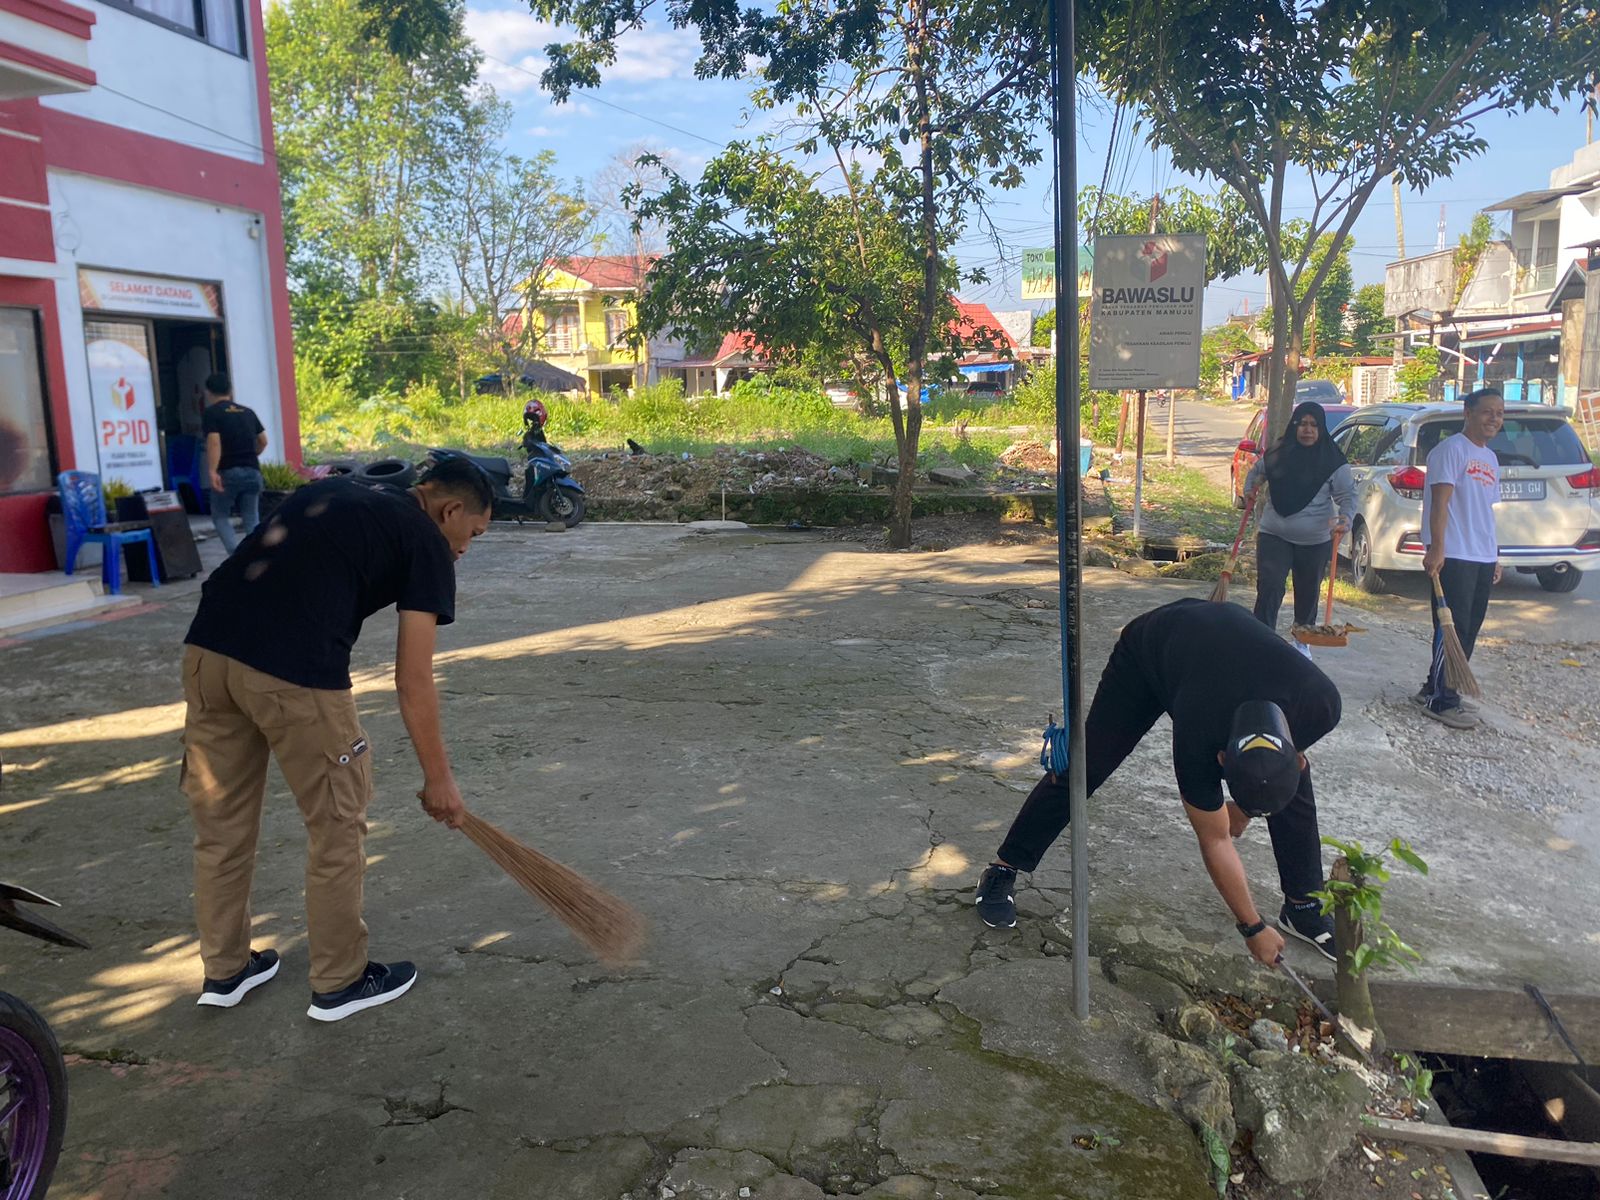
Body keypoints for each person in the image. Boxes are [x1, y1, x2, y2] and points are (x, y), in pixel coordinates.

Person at [179, 454, 493, 1022]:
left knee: (221, 825)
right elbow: (414, 678)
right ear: (448, 509)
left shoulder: (338, 493)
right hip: (293, 676)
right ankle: (340, 981)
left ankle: (225, 970)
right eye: (472, 533)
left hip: (206, 653)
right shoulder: (425, 539)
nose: (466, 548)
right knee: (336, 826)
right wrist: (439, 779)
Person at [974, 599, 1342, 965]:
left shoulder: (1321, 703)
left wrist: (1246, 806)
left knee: (1281, 785)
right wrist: (1252, 927)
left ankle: (1303, 905)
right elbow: (1214, 838)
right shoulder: (1198, 740)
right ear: (1221, 759)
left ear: (1298, 752)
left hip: (1221, 644)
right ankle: (1004, 866)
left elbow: (1271, 773)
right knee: (1087, 767)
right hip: (1150, 650)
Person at [1416, 388, 1505, 730]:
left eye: (1499, 413)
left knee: (1469, 629)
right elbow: (1440, 504)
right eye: (1487, 412)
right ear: (1468, 412)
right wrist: (1436, 547)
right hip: (1454, 552)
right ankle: (1443, 700)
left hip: (1481, 554)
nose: (1494, 419)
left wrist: (1494, 555)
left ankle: (1437, 688)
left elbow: (1486, 512)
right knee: (1451, 627)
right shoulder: (1450, 451)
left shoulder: (1491, 458)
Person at [1243, 401, 1356, 654]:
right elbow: (1256, 473)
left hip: (1314, 540)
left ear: (1321, 429)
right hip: (1274, 533)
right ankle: (1261, 641)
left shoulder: (1334, 461)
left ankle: (1302, 643)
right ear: (1294, 426)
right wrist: (1250, 490)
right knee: (1270, 586)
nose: (1308, 430)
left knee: (1307, 592)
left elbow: (1347, 495)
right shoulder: (1277, 453)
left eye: (1314, 425)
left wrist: (1346, 519)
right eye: (1303, 424)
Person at [200, 373, 268, 555]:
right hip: (253, 471)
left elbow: (214, 442)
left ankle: (237, 557)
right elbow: (263, 440)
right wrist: (252, 455)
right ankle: (256, 556)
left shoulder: (211, 413)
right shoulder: (248, 412)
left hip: (228, 472)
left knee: (220, 516)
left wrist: (213, 471)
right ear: (230, 391)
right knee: (251, 517)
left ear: (208, 392)